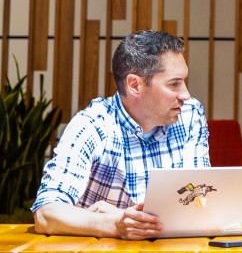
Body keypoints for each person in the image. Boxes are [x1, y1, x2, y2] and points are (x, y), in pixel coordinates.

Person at [32, 30, 209, 240]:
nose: (186, 95)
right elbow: (46, 214)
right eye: (174, 84)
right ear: (135, 85)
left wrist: (122, 216)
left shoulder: (189, 115)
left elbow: (199, 201)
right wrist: (115, 224)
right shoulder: (93, 124)